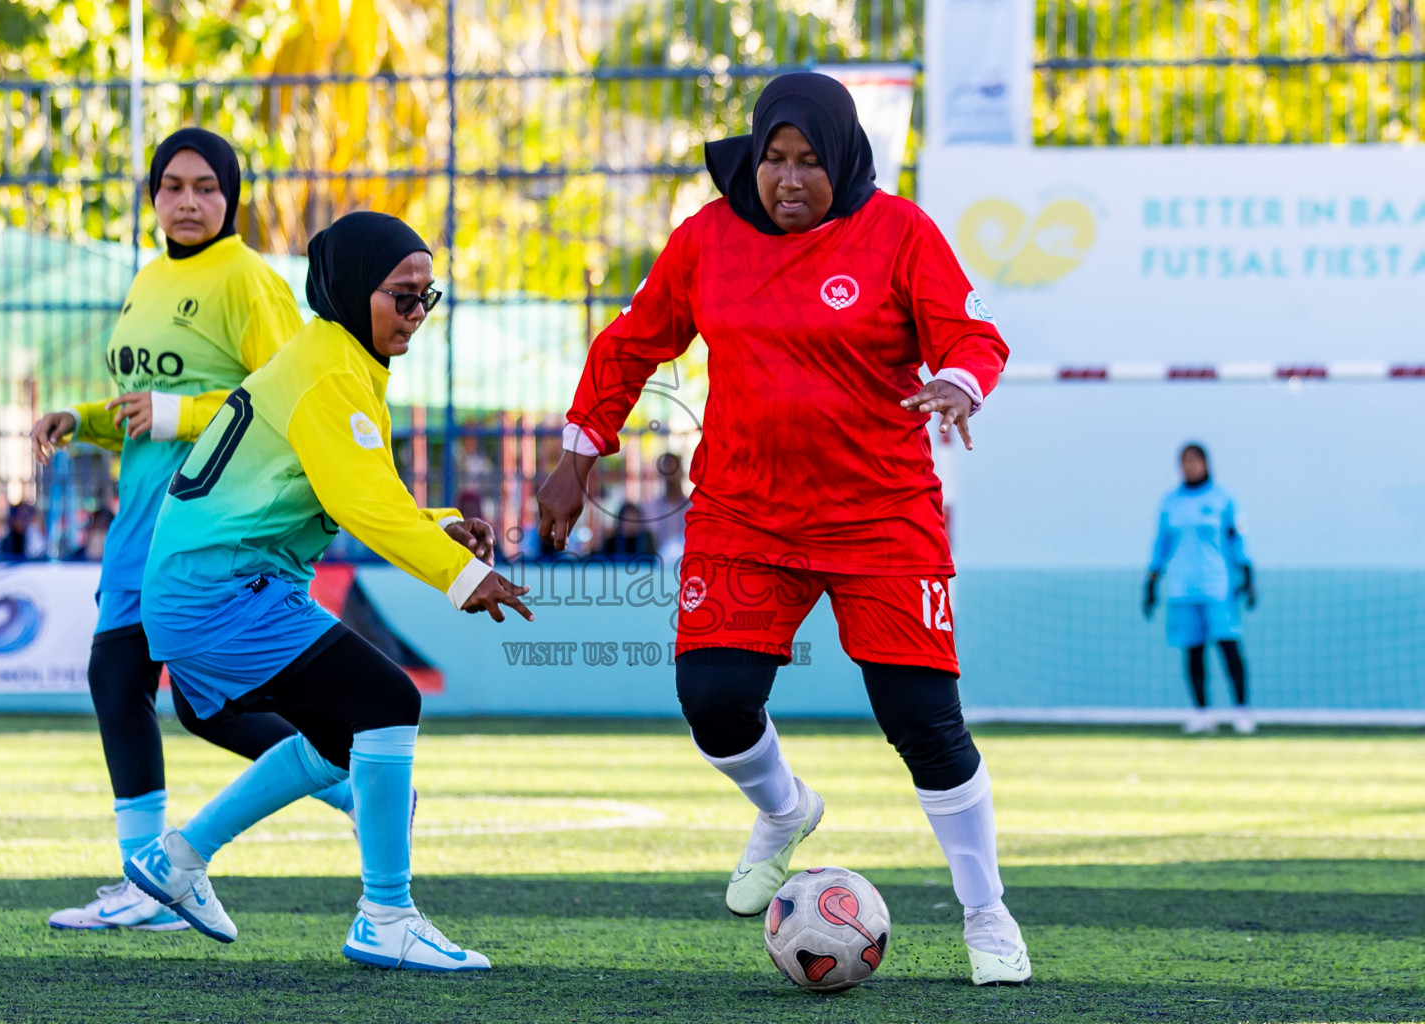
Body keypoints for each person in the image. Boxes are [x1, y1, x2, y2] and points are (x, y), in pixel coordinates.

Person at [537, 73, 1030, 986]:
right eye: (774, 158)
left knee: (922, 720)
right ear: (752, 158)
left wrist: (961, 379)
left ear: (842, 160)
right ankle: (785, 807)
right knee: (714, 702)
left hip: (880, 513)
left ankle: (986, 912)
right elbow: (632, 343)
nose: (790, 178)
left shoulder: (899, 233)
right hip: (744, 511)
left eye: (809, 161)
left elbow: (971, 335)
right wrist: (579, 453)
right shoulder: (706, 240)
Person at [125, 211, 531, 972]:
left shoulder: (333, 357)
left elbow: (363, 488)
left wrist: (439, 527)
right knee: (388, 702)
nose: (416, 314)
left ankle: (178, 858)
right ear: (350, 289)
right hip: (220, 590)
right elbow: (360, 506)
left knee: (342, 739)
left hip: (213, 585)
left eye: (426, 298)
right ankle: (386, 916)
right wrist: (464, 576)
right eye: (401, 297)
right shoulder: (331, 371)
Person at [30, 128, 354, 933]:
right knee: (186, 704)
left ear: (230, 196)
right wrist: (88, 419)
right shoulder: (145, 280)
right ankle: (358, 782)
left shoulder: (248, 281)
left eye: (205, 186)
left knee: (131, 681)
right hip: (142, 517)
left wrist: (180, 412)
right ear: (152, 196)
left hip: (208, 521)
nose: (187, 201)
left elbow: (292, 403)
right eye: (171, 185)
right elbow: (147, 411)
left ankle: (157, 883)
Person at [1143, 443, 1256, 735]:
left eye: (1194, 460)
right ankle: (1201, 713)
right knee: (1193, 654)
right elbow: (1162, 543)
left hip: (1217, 587)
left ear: (1206, 463)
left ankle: (1242, 712)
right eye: (1184, 461)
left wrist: (1247, 572)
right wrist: (1152, 581)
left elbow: (1236, 538)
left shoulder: (1223, 498)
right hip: (1182, 589)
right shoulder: (1170, 502)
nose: (1189, 466)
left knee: (1229, 648)